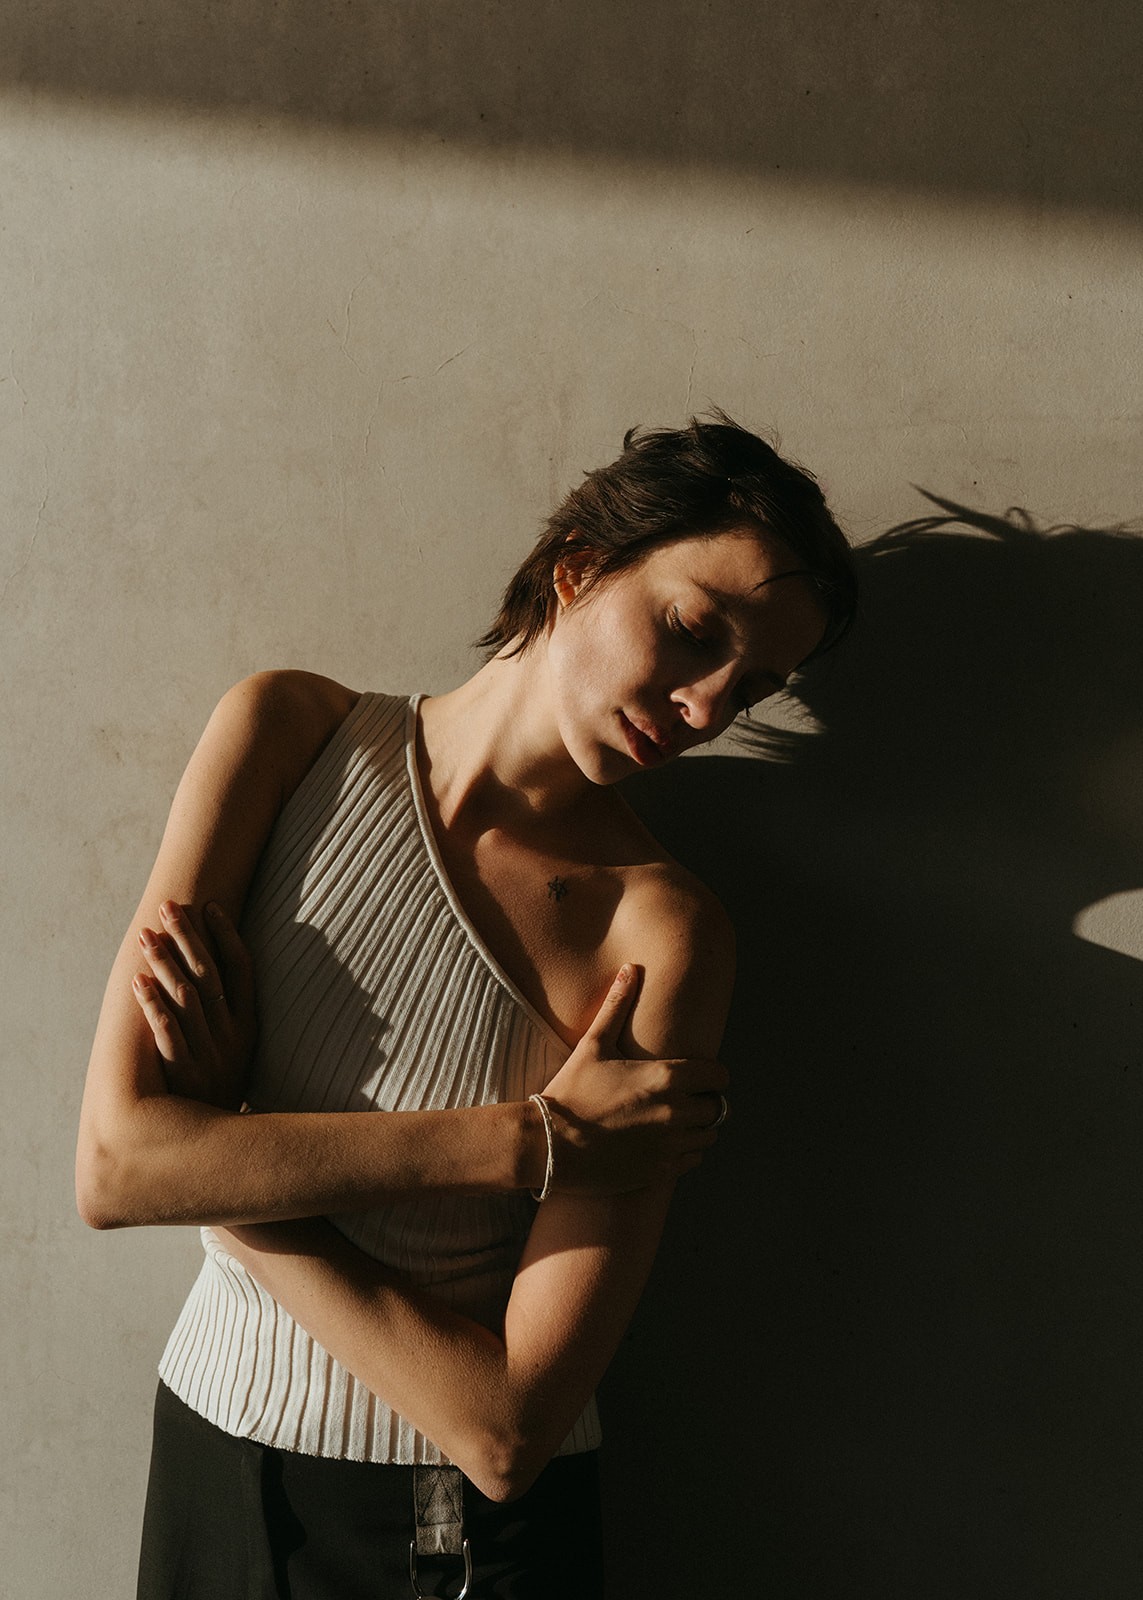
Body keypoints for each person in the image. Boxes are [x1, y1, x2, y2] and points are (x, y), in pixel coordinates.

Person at [76, 411, 856, 1599]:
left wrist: (230, 1156)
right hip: (205, 1461)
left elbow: (505, 1429)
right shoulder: (289, 734)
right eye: (693, 632)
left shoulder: (659, 932)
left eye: (747, 690)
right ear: (580, 563)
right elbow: (116, 1168)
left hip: (445, 1538)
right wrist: (529, 1142)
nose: (704, 709)